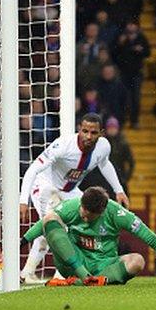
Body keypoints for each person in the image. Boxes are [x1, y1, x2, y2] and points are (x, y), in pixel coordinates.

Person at [19, 113, 129, 284]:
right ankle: (54, 274)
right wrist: (23, 201)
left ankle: (29, 273)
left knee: (84, 223)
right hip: (46, 186)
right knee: (55, 225)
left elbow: (104, 163)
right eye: (85, 131)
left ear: (101, 133)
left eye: (93, 133)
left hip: (70, 190)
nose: (88, 136)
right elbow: (33, 170)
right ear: (79, 129)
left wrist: (119, 190)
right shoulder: (63, 146)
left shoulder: (103, 147)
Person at [20, 187, 156, 286]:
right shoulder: (72, 206)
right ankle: (83, 277)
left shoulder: (118, 214)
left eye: (88, 215)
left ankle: (84, 282)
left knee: (137, 261)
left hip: (104, 265)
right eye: (82, 210)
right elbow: (44, 223)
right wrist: (20, 243)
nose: (83, 215)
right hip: (74, 262)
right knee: (51, 218)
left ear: (102, 212)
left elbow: (151, 238)